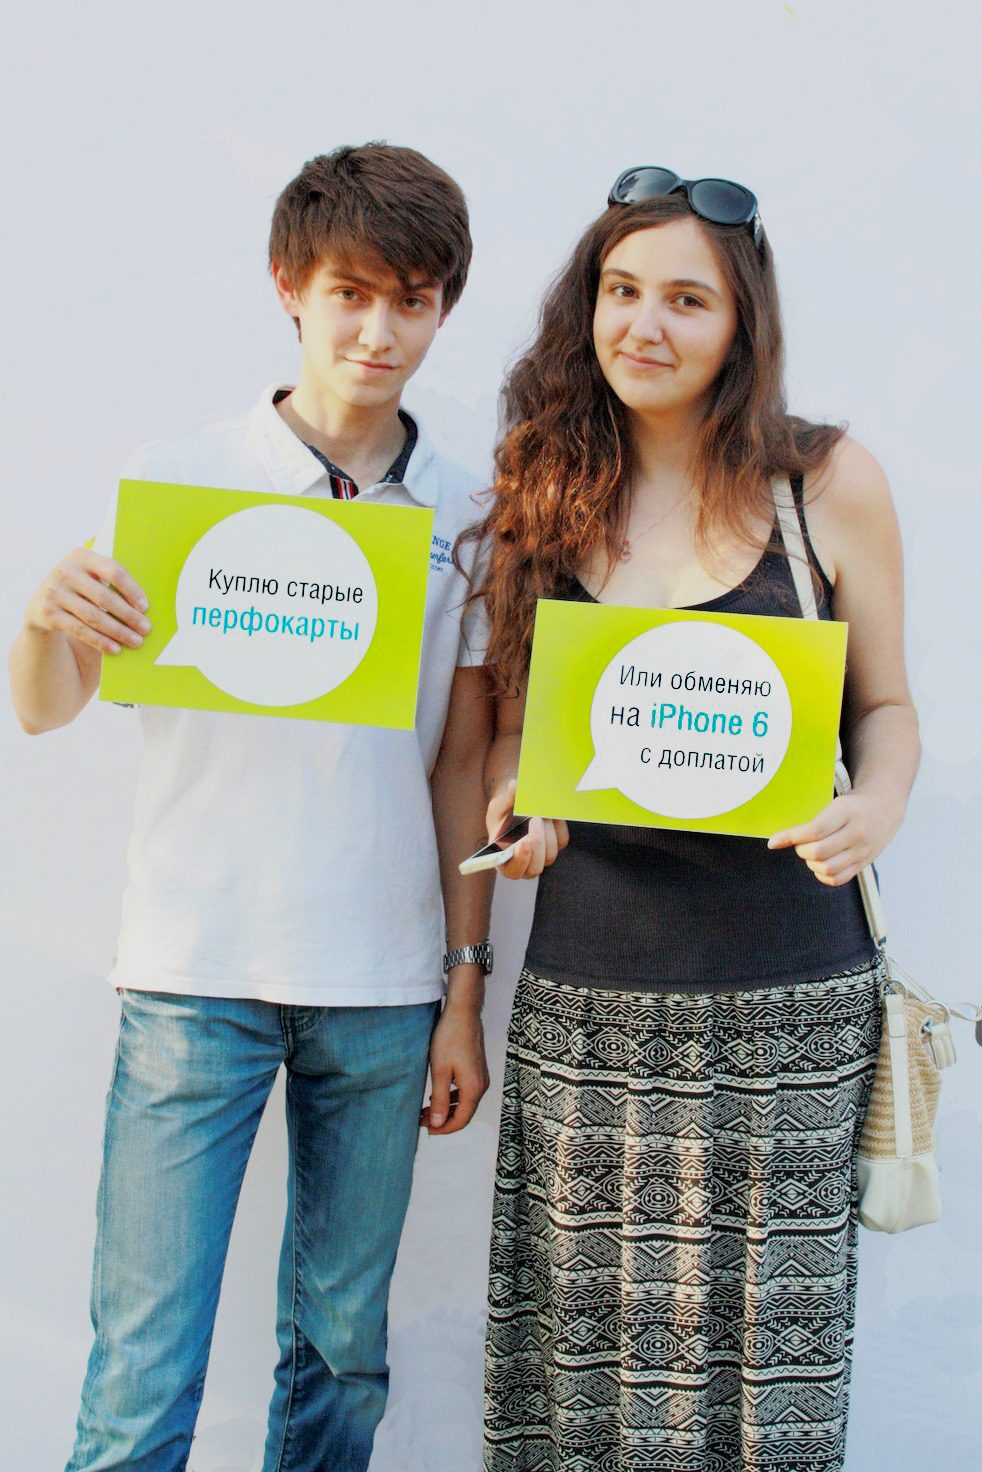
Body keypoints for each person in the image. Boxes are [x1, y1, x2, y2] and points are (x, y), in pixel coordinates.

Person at [9, 143, 495, 1472]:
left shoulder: (469, 511)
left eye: (411, 302)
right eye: (350, 294)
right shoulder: (181, 474)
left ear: (442, 309)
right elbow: (48, 708)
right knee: (141, 1370)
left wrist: (462, 988)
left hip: (382, 982)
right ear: (290, 285)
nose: (378, 332)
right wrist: (42, 620)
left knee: (340, 1360)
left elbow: (460, 764)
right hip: (196, 970)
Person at [465, 168, 920, 1472]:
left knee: (757, 1391)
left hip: (788, 1012)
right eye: (620, 291)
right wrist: (519, 807)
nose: (644, 326)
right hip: (590, 1010)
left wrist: (875, 806)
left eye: (685, 300)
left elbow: (888, 707)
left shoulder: (825, 485)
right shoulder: (542, 487)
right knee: (582, 1381)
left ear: (739, 325)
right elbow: (515, 736)